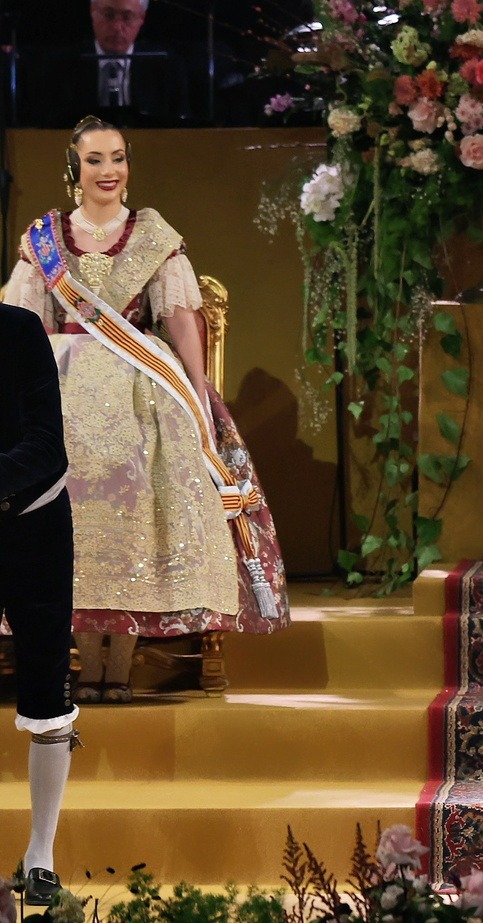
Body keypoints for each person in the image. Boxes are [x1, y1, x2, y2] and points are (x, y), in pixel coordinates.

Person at [3, 117, 288, 703]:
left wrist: (200, 395)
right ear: (74, 169)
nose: (108, 170)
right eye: (95, 160)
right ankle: (85, 665)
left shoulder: (155, 235)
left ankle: (120, 667)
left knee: (139, 513)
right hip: (62, 387)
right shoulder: (45, 241)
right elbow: (25, 325)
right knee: (71, 517)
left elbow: (181, 322)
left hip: (143, 390)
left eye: (118, 158)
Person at [0, 304, 80, 907]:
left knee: (46, 691)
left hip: (35, 521)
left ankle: (40, 857)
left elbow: (48, 446)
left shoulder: (20, 330)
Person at [29, 0, 192, 128]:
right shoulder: (61, 65)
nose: (117, 27)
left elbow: (180, 127)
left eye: (127, 17)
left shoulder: (165, 66)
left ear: (141, 18)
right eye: (108, 15)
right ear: (92, 12)